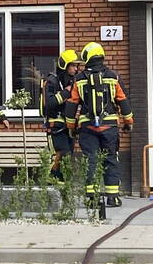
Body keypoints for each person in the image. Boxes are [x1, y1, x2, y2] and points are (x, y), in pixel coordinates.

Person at [63, 42, 133, 206]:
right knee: (110, 159)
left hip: (87, 127)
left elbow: (71, 106)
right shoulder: (113, 76)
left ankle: (92, 198)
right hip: (109, 127)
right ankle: (113, 197)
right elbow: (123, 100)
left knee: (91, 160)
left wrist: (71, 128)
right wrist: (128, 121)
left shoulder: (79, 79)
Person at [41, 49, 84, 178]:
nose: (76, 69)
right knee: (61, 153)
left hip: (69, 125)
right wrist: (66, 92)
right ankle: (52, 179)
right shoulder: (52, 81)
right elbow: (49, 103)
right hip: (55, 125)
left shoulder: (73, 81)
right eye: (73, 65)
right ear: (64, 65)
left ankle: (63, 182)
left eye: (77, 66)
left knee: (68, 155)